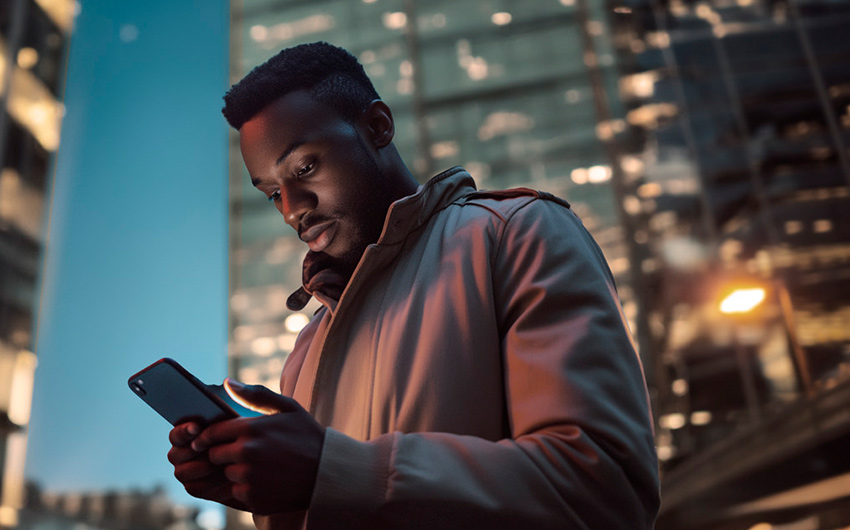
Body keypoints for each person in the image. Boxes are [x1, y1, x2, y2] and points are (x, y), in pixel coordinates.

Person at [167, 41, 660, 530]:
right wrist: (263, 490)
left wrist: (333, 470)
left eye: (305, 168)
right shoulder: (306, 346)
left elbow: (604, 489)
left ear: (377, 127)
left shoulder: (514, 232)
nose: (293, 208)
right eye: (273, 193)